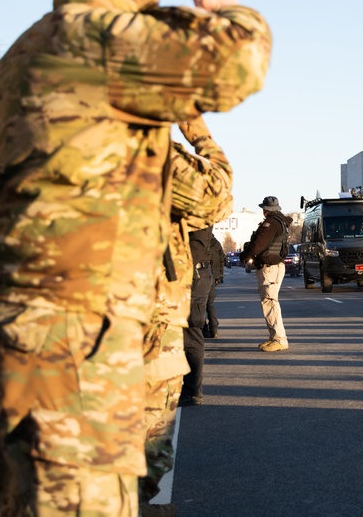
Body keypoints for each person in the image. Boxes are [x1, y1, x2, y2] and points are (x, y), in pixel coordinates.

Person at [0, 0, 271, 517]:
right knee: (82, 502)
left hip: (16, 321)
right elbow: (241, 62)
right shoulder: (101, 41)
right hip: (75, 332)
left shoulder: (15, 61)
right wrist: (229, 10)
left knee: (43, 497)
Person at [141, 117, 232, 511]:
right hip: (141, 325)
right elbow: (219, 196)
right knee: (143, 464)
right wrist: (195, 128)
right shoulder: (140, 149)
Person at [241, 196, 291, 352]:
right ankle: (274, 337)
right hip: (274, 266)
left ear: (266, 210)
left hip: (270, 268)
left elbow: (259, 244)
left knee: (270, 302)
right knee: (270, 302)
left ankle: (279, 339)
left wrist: (245, 255)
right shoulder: (281, 222)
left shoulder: (271, 223)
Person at [205, 235, 225, 339]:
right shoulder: (215, 242)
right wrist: (220, 275)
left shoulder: (199, 239)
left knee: (198, 303)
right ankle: (213, 329)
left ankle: (204, 329)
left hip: (202, 274)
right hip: (213, 275)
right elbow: (222, 258)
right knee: (210, 303)